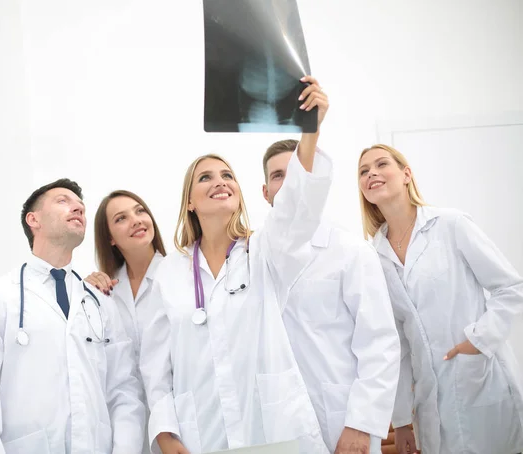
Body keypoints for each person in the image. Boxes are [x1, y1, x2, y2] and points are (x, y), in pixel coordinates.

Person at [140, 76, 332, 454]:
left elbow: (295, 207)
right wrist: (164, 432)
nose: (220, 182)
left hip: (272, 427)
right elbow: (155, 366)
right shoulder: (170, 273)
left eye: (228, 175)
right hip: (202, 433)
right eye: (206, 177)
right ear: (190, 202)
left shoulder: (265, 249)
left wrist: (310, 133)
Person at [357, 144, 523, 454]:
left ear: (406, 174)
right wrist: (403, 420)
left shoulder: (451, 224)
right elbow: (397, 344)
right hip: (430, 405)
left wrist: (477, 342)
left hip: (480, 384)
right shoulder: (373, 255)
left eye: (381, 164)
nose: (372, 173)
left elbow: (510, 288)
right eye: (364, 171)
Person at [0, 179, 145, 454]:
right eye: (63, 201)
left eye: (81, 206)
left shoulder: (100, 302)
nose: (78, 208)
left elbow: (124, 391)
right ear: (33, 219)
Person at [261, 139, 400, 454]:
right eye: (279, 175)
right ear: (266, 192)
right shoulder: (253, 254)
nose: (292, 182)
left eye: (298, 172)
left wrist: (361, 425)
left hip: (342, 418)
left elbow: (380, 345)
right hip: (279, 423)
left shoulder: (351, 252)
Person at [85, 190, 167, 454]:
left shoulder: (181, 275)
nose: (136, 220)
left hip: (178, 421)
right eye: (121, 218)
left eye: (140, 210)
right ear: (109, 237)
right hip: (124, 431)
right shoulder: (103, 292)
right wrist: (84, 293)